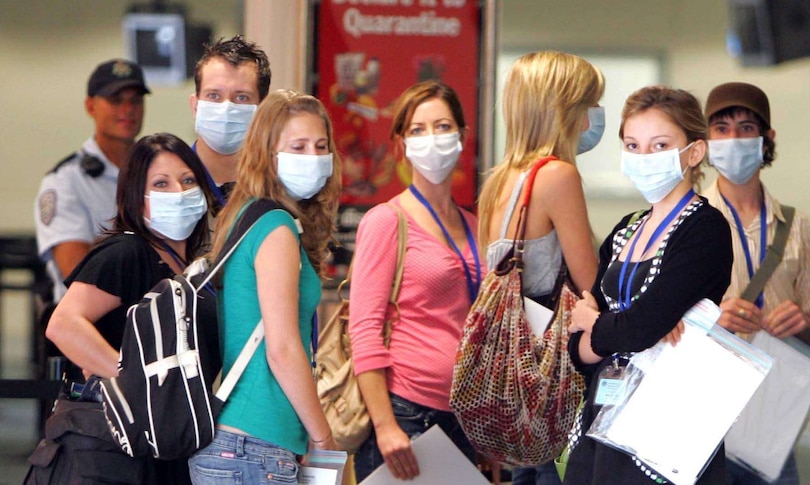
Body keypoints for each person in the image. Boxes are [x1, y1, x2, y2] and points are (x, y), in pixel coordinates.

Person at [565, 85, 733, 485]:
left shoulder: (704, 229)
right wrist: (615, 329)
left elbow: (638, 328)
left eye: (659, 145)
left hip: (666, 421)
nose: (644, 158)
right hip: (604, 412)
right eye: (633, 146)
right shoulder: (627, 227)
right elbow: (577, 347)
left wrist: (599, 323)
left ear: (694, 152)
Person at [43, 133, 216, 484]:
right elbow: (63, 325)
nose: (178, 193)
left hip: (160, 448)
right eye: (161, 184)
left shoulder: (197, 268)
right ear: (137, 199)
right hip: (106, 452)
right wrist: (133, 384)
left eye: (187, 181)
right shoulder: (127, 253)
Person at [188, 90, 341, 484]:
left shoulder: (247, 214)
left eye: (320, 146)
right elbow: (283, 348)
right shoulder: (274, 228)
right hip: (255, 445)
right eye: (298, 146)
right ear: (268, 154)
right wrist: (322, 435)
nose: (313, 156)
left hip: (239, 442)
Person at [477, 50, 606, 485]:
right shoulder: (557, 176)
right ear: (563, 110)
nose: (592, 121)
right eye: (588, 106)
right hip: (555, 377)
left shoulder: (500, 180)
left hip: (514, 380)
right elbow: (591, 286)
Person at [349, 80, 483, 482]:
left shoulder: (476, 225)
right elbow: (364, 330)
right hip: (407, 412)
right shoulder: (387, 221)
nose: (432, 139)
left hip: (463, 418)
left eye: (442, 126)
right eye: (417, 130)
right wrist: (386, 425)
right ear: (401, 144)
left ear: (461, 136)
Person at [702, 82, 810, 485]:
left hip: (773, 410)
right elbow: (661, 324)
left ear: (766, 139)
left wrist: (804, 324)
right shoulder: (690, 220)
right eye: (721, 129)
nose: (734, 139)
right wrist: (710, 318)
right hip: (705, 403)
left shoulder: (797, 226)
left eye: (745, 127)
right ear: (705, 140)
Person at [35, 58, 150, 305]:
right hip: (88, 323)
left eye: (136, 100)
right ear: (90, 106)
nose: (128, 109)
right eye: (116, 100)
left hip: (147, 318)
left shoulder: (155, 172)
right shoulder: (64, 181)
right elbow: (77, 273)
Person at [189, 34, 271, 209]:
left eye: (241, 97)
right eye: (214, 95)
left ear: (263, 110)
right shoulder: (171, 181)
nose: (226, 108)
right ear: (195, 106)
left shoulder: (276, 187)